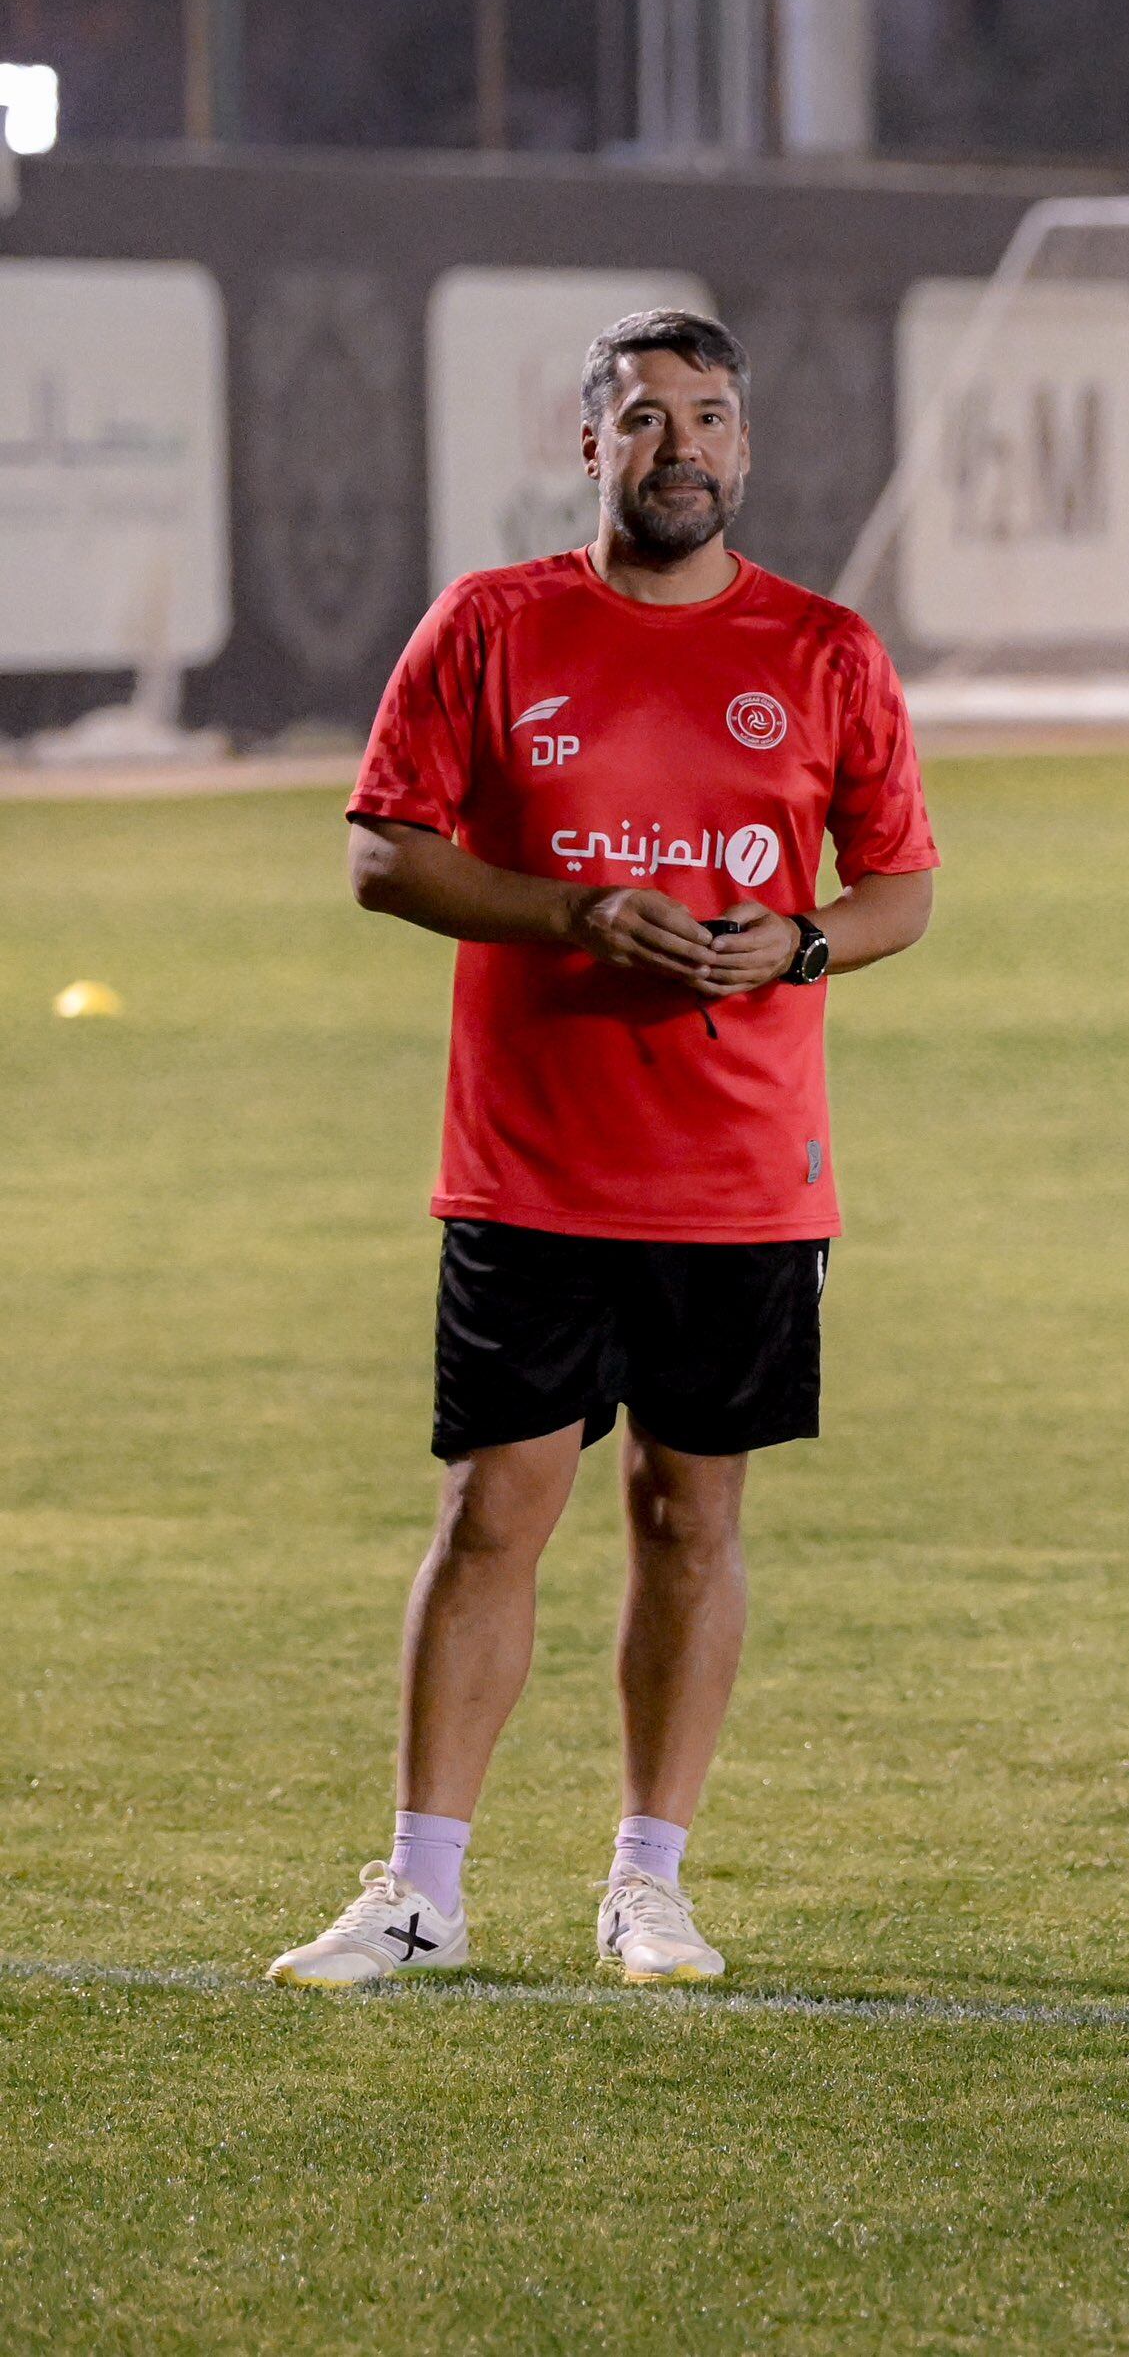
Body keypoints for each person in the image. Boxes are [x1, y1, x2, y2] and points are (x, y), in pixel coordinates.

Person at [270, 308, 937, 1990]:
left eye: (711, 417)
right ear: (590, 448)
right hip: (532, 1166)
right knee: (497, 1512)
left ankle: (651, 1881)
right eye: (645, 419)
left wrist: (794, 944)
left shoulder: (827, 650)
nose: (682, 448)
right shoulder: (490, 629)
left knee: (688, 1518)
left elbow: (901, 890)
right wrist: (577, 909)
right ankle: (421, 1886)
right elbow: (380, 854)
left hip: (739, 1173)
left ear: (748, 447)